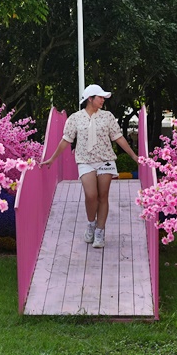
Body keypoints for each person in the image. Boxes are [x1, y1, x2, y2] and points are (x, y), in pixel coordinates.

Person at [41, 84, 140, 249]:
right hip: (85, 160)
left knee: (103, 196)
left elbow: (118, 138)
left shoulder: (107, 117)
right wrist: (52, 159)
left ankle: (100, 232)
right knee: (90, 195)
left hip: (106, 160)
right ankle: (91, 223)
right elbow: (66, 140)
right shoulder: (75, 118)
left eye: (103, 97)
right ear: (90, 99)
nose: (102, 100)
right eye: (100, 97)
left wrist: (134, 156)